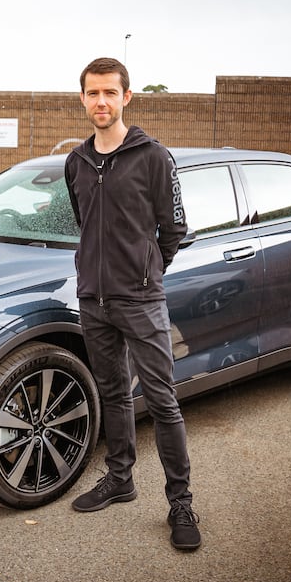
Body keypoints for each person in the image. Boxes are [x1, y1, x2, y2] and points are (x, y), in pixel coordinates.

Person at [64, 57, 200, 551]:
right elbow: (85, 222)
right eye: (92, 93)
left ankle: (180, 502)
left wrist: (147, 272)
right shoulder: (76, 162)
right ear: (83, 98)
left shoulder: (154, 157)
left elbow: (174, 227)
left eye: (109, 92)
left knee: (162, 401)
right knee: (114, 394)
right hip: (93, 300)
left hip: (141, 300)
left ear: (126, 97)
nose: (101, 101)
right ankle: (120, 479)